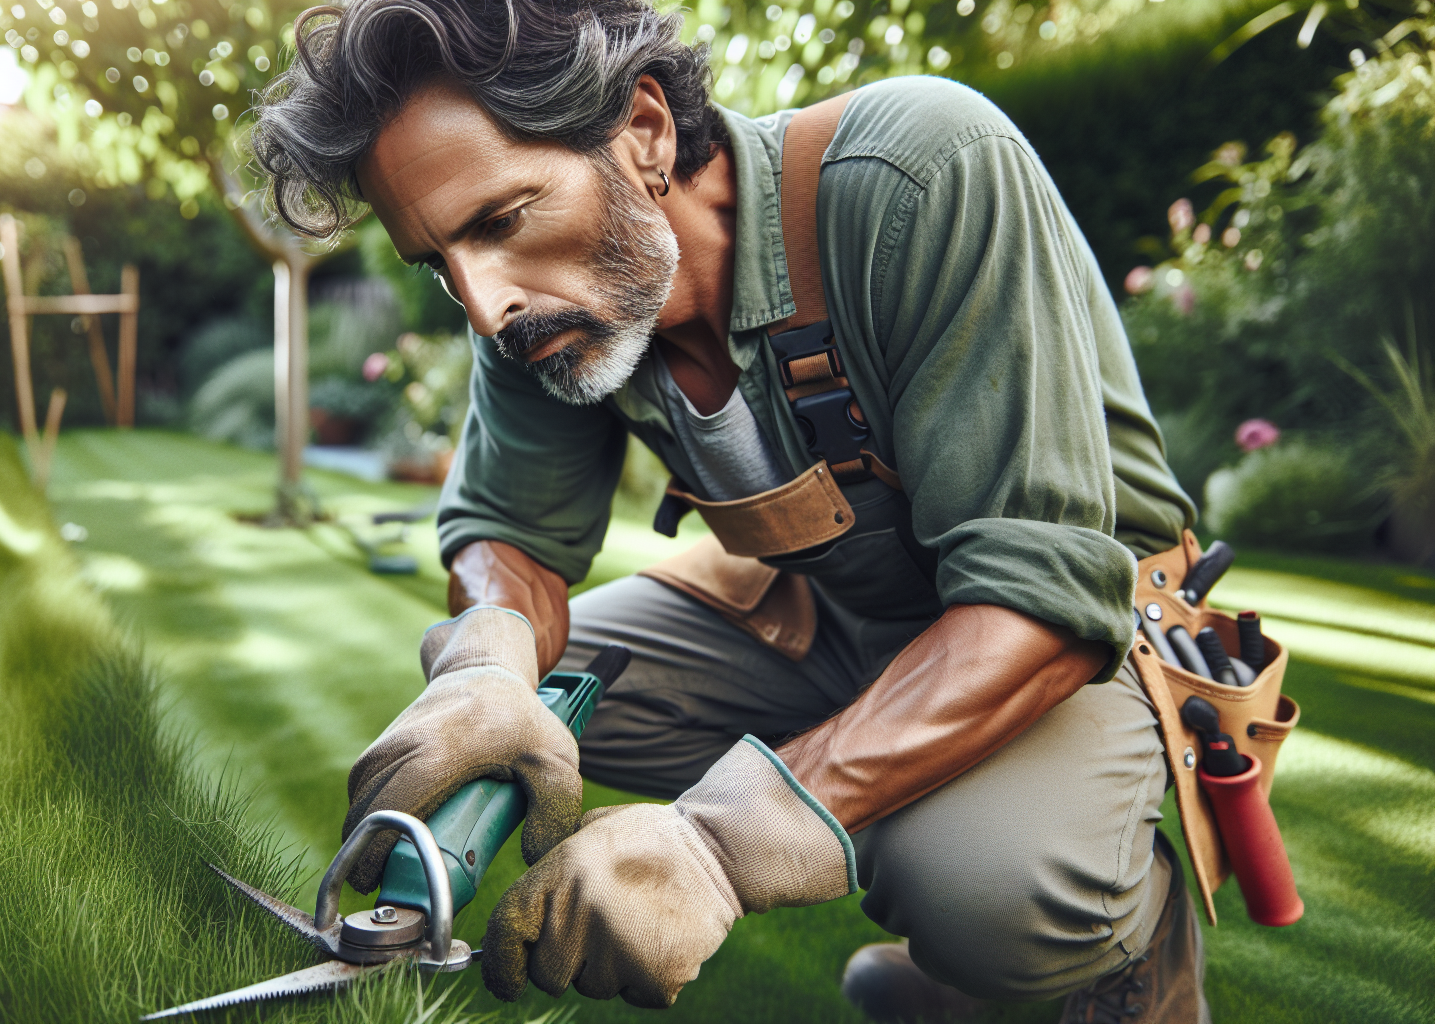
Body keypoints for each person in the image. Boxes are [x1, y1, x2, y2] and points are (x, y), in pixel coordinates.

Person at [249, 1, 1207, 1020]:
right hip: (826, 615)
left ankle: (1108, 948)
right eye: (439, 262)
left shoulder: (921, 168)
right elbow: (510, 534)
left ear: (645, 133)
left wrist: (716, 840)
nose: (485, 306)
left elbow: (1042, 603)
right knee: (530, 695)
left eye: (499, 220)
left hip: (1078, 636)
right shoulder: (543, 311)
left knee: (985, 888)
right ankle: (940, 892)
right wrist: (488, 664)